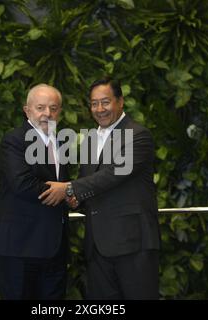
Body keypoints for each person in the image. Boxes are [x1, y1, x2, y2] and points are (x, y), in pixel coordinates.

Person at [39, 77, 161, 299]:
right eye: (94, 103)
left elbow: (113, 174)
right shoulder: (91, 139)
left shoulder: (138, 135)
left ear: (120, 102)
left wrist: (68, 188)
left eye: (105, 102)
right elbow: (88, 182)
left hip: (133, 244)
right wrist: (77, 200)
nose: (99, 109)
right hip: (97, 247)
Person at [0, 84, 70, 300]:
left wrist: (72, 194)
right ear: (27, 110)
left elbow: (63, 184)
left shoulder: (62, 141)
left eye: (54, 108)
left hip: (55, 250)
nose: (48, 113)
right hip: (20, 250)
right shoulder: (14, 140)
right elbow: (22, 184)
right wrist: (65, 191)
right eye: (40, 107)